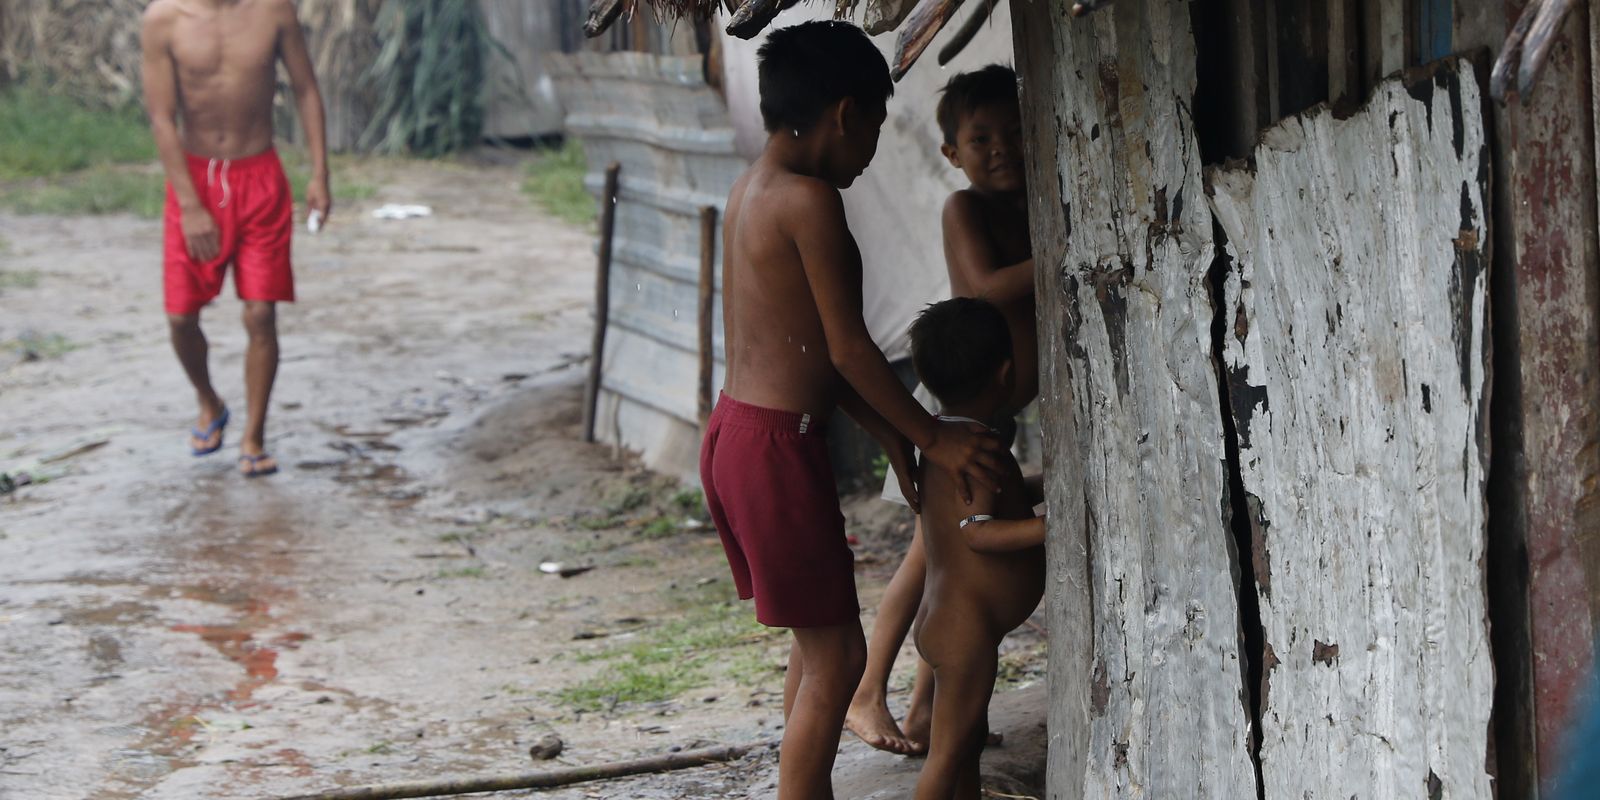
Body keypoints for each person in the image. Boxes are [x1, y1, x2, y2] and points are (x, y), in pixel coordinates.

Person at [700, 21, 1005, 800]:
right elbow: (849, 351)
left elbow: (804, 352)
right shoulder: (810, 203)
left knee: (815, 648)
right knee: (839, 662)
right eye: (874, 125)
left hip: (738, 434)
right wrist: (932, 436)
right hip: (774, 448)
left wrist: (890, 435)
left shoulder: (750, 190)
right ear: (844, 114)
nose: (873, 148)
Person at [847, 63, 1036, 756]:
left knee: (947, 570)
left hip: (992, 415)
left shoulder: (1028, 206)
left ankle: (931, 711)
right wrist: (1067, 252)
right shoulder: (967, 210)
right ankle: (868, 690)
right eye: (981, 138)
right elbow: (985, 288)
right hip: (951, 414)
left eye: (1016, 132)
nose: (1002, 148)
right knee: (928, 560)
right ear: (951, 154)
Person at [140, 0, 331, 477]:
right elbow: (162, 117)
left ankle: (254, 438)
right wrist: (188, 204)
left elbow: (306, 89)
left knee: (261, 312)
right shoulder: (164, 19)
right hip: (196, 179)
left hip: (260, 177)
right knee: (181, 317)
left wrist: (320, 174)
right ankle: (209, 402)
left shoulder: (273, 11)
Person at [905, 297, 1045, 800]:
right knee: (945, 761)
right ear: (1006, 373)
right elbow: (978, 531)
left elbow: (1003, 499)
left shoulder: (947, 441)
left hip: (948, 623)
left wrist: (1051, 483)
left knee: (964, 753)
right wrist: (1055, 527)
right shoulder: (979, 447)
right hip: (965, 632)